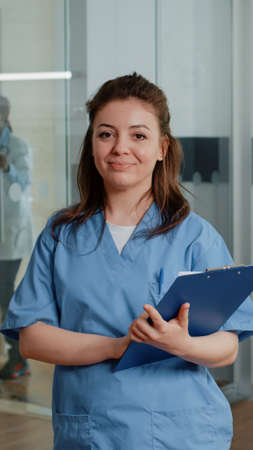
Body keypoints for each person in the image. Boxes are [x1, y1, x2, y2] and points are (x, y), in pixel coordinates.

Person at [1, 72, 253, 449]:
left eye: (138, 135)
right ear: (91, 146)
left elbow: (227, 346)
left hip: (181, 432)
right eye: (106, 134)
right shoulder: (60, 234)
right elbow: (32, 340)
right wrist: (117, 346)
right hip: (90, 430)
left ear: (162, 148)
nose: (120, 147)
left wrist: (180, 343)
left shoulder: (195, 236)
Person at [0, 95, 33, 379]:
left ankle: (18, 357)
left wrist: (7, 167)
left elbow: (25, 183)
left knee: (4, 293)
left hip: (10, 234)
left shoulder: (18, 147)